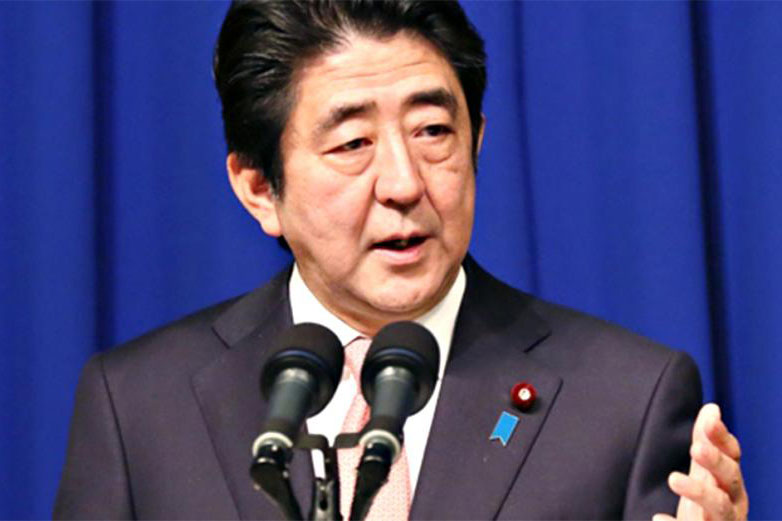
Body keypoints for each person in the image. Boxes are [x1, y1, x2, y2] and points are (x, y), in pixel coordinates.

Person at [54, 1, 748, 519]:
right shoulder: (139, 408)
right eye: (353, 144)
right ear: (260, 188)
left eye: (432, 131)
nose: (404, 183)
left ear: (476, 139)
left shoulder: (624, 402)